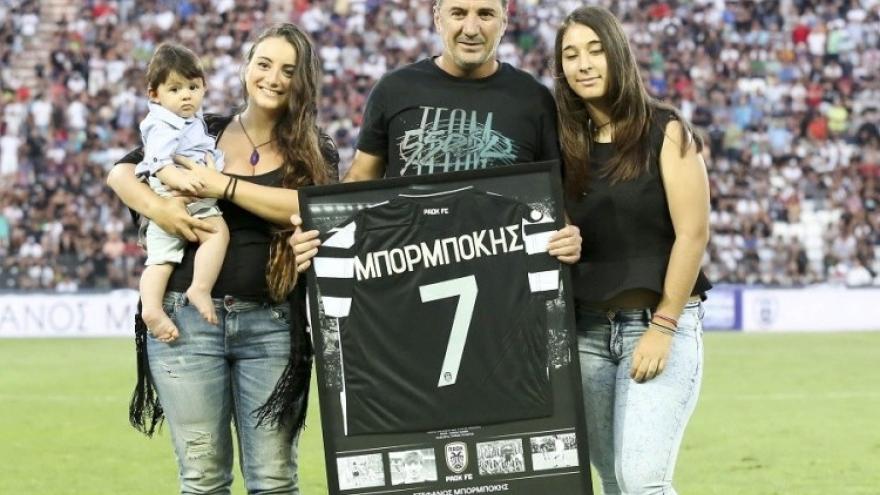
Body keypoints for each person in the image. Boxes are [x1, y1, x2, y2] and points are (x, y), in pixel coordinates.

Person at [106, 23, 338, 494]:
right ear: (246, 68)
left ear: (303, 80)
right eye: (264, 64)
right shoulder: (200, 127)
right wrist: (160, 210)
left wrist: (222, 186)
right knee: (203, 480)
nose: (273, 78)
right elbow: (121, 174)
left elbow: (307, 207)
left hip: (273, 324)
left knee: (275, 480)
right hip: (184, 322)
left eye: (288, 70)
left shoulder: (315, 148)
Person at [291, 0, 581, 272]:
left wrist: (568, 236)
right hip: (408, 279)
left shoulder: (534, 99)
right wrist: (318, 235)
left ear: (504, 21)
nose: (471, 29)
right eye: (458, 13)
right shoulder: (394, 90)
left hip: (502, 285)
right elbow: (360, 180)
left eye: (485, 14)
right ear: (437, 18)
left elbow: (552, 198)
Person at [554, 6, 712, 494]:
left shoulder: (666, 130)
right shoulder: (562, 143)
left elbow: (693, 234)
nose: (583, 64)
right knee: (613, 480)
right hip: (586, 330)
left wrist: (663, 327)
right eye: (570, 55)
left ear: (619, 55)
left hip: (658, 322)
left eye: (595, 51)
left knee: (643, 481)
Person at [136, 43, 229, 342]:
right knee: (216, 234)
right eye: (175, 89)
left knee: (163, 258)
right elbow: (159, 163)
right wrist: (182, 182)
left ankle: (155, 307)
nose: (186, 95)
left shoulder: (191, 119)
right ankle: (196, 289)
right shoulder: (163, 123)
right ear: (155, 94)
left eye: (193, 87)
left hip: (187, 190)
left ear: (204, 87)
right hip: (176, 193)